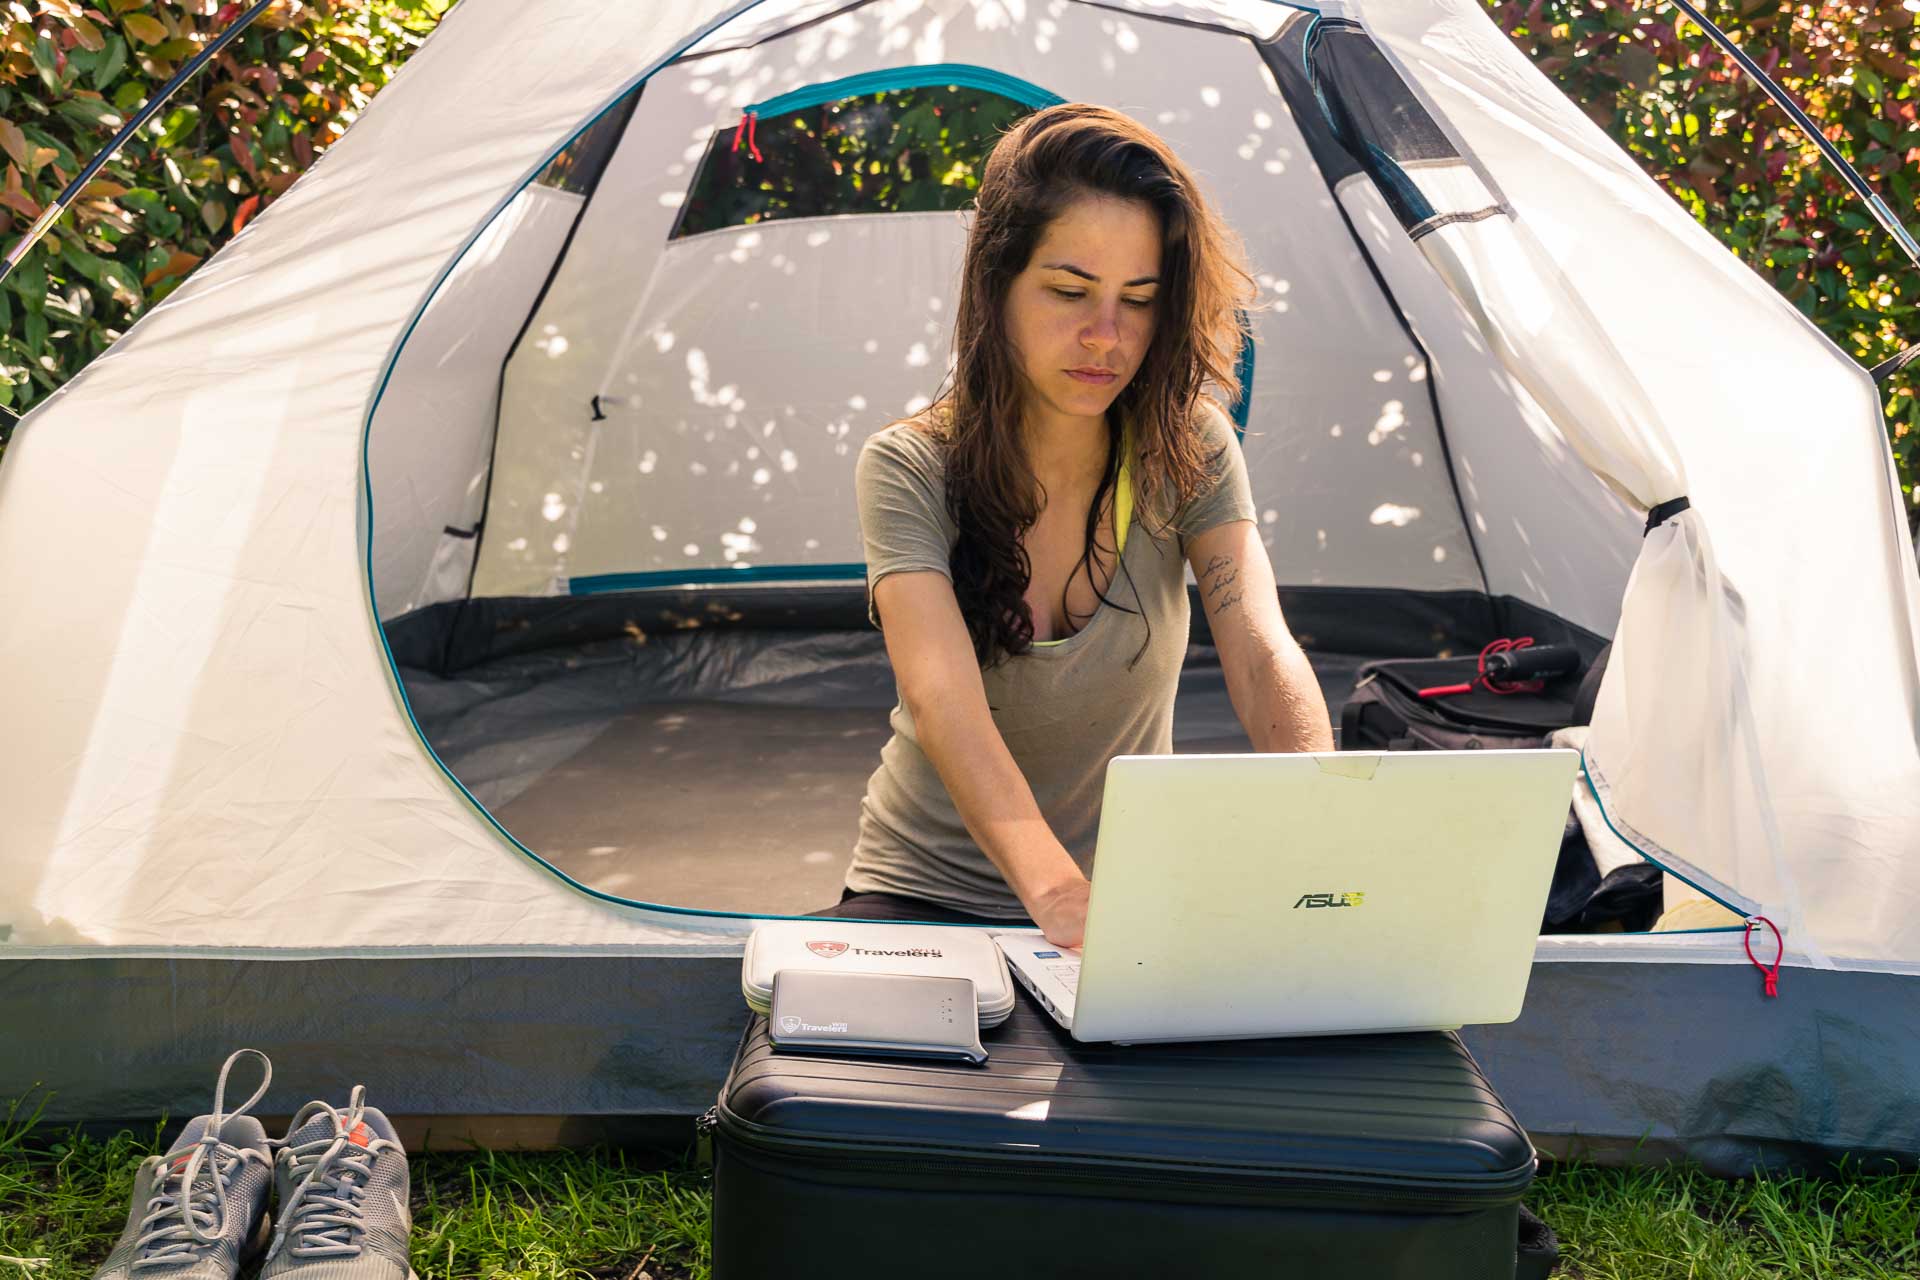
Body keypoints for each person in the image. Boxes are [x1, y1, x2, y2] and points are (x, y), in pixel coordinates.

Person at [824, 103, 1333, 947]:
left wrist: (1328, 806)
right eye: (1068, 292)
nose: (1106, 337)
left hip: (1122, 897)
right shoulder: (908, 465)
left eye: (1138, 300)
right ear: (996, 285)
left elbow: (1255, 641)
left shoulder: (1188, 443)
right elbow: (941, 699)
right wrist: (1060, 897)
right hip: (923, 896)